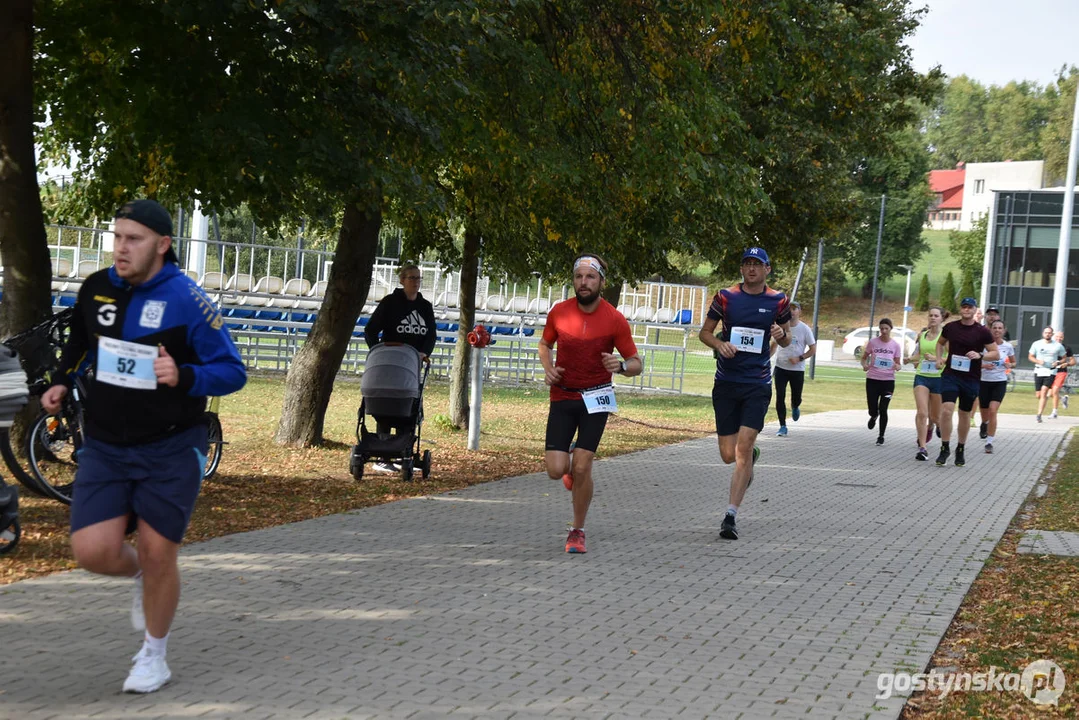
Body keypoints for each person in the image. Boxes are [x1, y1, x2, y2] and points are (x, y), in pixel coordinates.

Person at [41, 199, 247, 693]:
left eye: (133, 239)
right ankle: (140, 578)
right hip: (108, 446)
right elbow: (78, 349)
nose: (121, 248)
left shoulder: (187, 299)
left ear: (163, 244)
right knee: (92, 551)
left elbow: (233, 371)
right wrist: (60, 384)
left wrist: (184, 374)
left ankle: (154, 655)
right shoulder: (97, 290)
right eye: (117, 237)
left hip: (172, 447)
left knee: (159, 552)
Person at [538, 254, 641, 554]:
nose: (583, 283)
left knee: (583, 467)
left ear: (601, 283)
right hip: (563, 395)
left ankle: (577, 530)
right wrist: (548, 368)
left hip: (596, 398)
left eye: (590, 277)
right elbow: (545, 344)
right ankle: (569, 461)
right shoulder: (559, 312)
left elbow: (637, 363)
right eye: (579, 277)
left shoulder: (614, 319)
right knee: (556, 470)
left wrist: (620, 366)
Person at [698, 247, 791, 541]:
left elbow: (786, 338)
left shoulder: (778, 300)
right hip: (726, 382)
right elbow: (705, 332)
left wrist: (781, 336)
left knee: (743, 447)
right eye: (747, 264)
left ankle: (730, 516)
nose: (751, 269)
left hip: (757, 383)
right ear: (742, 269)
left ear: (767, 269)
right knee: (728, 455)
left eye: (757, 264)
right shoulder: (726, 296)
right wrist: (718, 344)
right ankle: (751, 458)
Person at [364, 264, 437, 471]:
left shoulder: (425, 307)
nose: (415, 282)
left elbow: (431, 335)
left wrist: (424, 353)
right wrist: (378, 352)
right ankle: (383, 455)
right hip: (389, 365)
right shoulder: (390, 303)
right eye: (411, 278)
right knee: (387, 405)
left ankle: (404, 451)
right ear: (402, 280)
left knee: (409, 406)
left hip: (412, 366)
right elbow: (370, 330)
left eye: (418, 278)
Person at [934, 297, 998, 467]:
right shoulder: (951, 327)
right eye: (964, 307)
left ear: (975, 309)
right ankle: (945, 447)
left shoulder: (982, 331)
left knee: (964, 414)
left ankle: (960, 448)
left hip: (970, 378)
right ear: (960, 309)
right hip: (950, 375)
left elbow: (995, 353)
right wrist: (939, 359)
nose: (966, 309)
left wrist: (980, 355)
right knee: (946, 410)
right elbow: (940, 344)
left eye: (970, 307)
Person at [905, 307, 947, 461]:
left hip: (938, 378)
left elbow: (950, 358)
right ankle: (922, 447)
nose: (933, 318)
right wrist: (909, 359)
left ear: (942, 318)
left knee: (935, 417)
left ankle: (938, 428)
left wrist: (937, 360)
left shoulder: (945, 338)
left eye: (936, 315)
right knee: (922, 413)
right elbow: (919, 355)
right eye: (930, 315)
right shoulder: (922, 335)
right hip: (922, 376)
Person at [770, 301, 815, 437]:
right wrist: (765, 358)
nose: (792, 311)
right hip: (781, 367)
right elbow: (774, 345)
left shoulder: (805, 329)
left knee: (796, 397)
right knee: (780, 396)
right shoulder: (781, 327)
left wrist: (799, 358)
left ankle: (795, 406)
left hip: (797, 370)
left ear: (799, 311)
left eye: (795, 309)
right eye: (789, 309)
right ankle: (782, 426)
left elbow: (813, 349)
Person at [860, 318, 901, 446]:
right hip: (873, 379)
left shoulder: (895, 345)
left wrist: (897, 366)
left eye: (886, 329)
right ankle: (873, 415)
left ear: (890, 329)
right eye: (881, 329)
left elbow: (898, 364)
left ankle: (881, 436)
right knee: (873, 408)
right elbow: (864, 358)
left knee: (884, 408)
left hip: (888, 381)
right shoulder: (873, 342)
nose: (883, 331)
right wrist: (865, 365)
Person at [978, 319, 1015, 453]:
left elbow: (1013, 362)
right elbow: (975, 362)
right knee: (984, 412)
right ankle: (984, 423)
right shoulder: (983, 345)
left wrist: (1009, 365)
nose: (997, 330)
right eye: (995, 328)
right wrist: (984, 365)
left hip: (999, 381)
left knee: (993, 410)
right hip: (983, 381)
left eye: (1000, 328)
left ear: (1004, 331)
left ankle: (989, 442)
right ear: (990, 329)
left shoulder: (1008, 347)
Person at [1028, 326, 1065, 423]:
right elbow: (1030, 357)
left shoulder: (1057, 346)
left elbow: (1064, 358)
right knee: (1039, 395)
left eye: (1049, 333)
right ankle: (1059, 398)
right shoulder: (1036, 344)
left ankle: (1039, 415)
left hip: (1051, 371)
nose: (1047, 334)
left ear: (1052, 334)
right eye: (1046, 332)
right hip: (1039, 370)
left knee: (1044, 391)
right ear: (1043, 333)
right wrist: (1037, 361)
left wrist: (1058, 362)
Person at [1048, 330, 1074, 418]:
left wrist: (1067, 364)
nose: (1059, 338)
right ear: (1054, 337)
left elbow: (1073, 361)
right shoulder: (1049, 346)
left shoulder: (1067, 348)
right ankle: (1063, 399)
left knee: (1055, 391)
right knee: (1051, 394)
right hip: (1050, 372)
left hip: (1061, 372)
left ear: (1063, 338)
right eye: (1057, 337)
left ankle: (1054, 412)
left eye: (1061, 337)